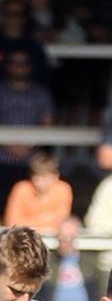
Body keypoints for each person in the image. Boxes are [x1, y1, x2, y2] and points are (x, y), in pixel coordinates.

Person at [0, 50, 55, 207]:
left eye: (24, 63)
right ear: (8, 66)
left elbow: (47, 123)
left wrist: (29, 146)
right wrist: (11, 146)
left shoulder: (41, 93)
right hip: (2, 158)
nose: (19, 67)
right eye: (15, 63)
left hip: (32, 160)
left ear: (30, 67)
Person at [3, 149, 72, 232]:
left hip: (51, 237)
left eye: (44, 177)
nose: (38, 182)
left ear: (55, 176)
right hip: (24, 236)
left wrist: (27, 222)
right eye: (36, 176)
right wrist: (45, 219)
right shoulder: (21, 188)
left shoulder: (63, 189)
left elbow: (62, 221)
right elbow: (11, 222)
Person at [0, 0, 49, 86]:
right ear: (2, 16)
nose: (14, 18)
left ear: (24, 18)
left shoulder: (34, 47)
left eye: (18, 14)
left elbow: (42, 77)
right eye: (9, 13)